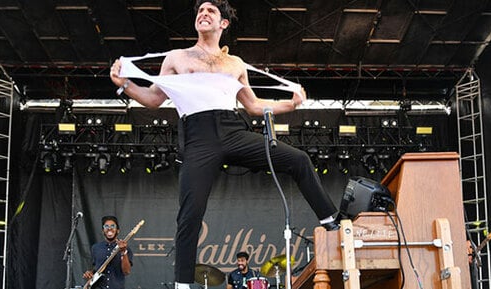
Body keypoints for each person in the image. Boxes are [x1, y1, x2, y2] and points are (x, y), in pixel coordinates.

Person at [109, 1, 339, 288]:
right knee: (190, 213)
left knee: (299, 159)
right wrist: (123, 84)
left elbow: (254, 106)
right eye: (200, 11)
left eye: (211, 12)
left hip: (233, 130)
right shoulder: (177, 58)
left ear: (223, 24)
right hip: (198, 137)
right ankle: (182, 285)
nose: (203, 15)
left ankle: (331, 221)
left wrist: (290, 105)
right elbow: (154, 99)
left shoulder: (235, 63)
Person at [83, 216, 133, 289]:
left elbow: (126, 271)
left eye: (113, 226)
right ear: (103, 230)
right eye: (106, 226)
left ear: (118, 230)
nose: (109, 228)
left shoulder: (125, 248)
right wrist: (89, 273)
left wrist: (123, 252)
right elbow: (95, 269)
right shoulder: (96, 248)